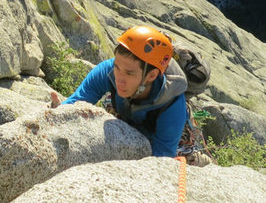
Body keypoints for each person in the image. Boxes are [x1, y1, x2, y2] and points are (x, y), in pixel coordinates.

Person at [56, 25, 188, 158]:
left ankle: (198, 158)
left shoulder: (172, 104)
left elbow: (162, 157)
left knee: (184, 154)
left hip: (163, 132)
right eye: (117, 67)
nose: (119, 79)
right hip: (126, 112)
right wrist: (58, 113)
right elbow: (75, 103)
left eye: (129, 73)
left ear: (151, 76)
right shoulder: (107, 71)